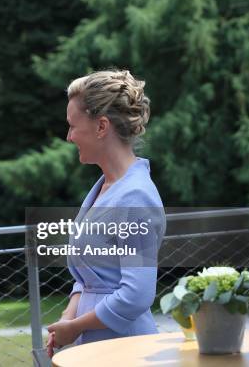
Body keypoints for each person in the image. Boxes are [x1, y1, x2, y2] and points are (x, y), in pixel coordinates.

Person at [46, 70, 166, 356]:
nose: (69, 136)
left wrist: (75, 327)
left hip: (126, 349)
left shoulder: (135, 197)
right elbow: (89, 278)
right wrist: (66, 320)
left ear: (101, 126)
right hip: (98, 346)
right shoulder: (105, 188)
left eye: (73, 126)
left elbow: (137, 294)